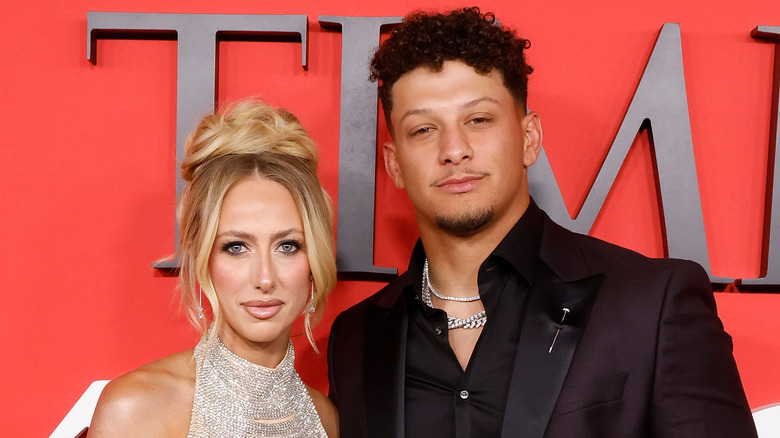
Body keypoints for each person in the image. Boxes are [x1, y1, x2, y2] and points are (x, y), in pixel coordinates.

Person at [327, 7, 757, 438]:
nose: (454, 149)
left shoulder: (651, 304)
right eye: (423, 129)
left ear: (529, 138)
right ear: (394, 163)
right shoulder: (357, 337)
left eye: (478, 120)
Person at [89, 100, 339, 437]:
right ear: (202, 256)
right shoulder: (137, 408)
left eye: (287, 246)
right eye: (236, 247)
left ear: (314, 260)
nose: (265, 278)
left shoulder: (328, 420)